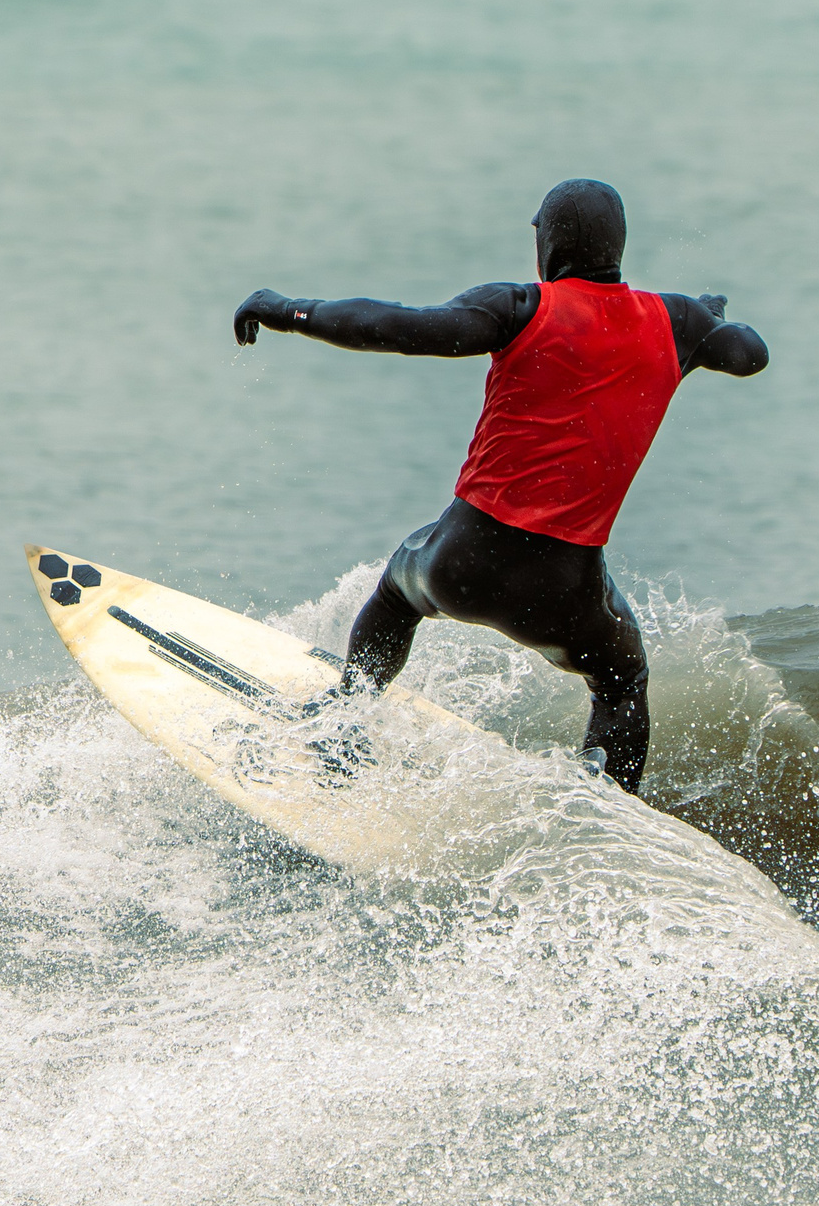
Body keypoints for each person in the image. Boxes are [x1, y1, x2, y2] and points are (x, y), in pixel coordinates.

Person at [232, 179, 768, 793]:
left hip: (462, 564)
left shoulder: (519, 308)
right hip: (567, 594)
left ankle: (345, 722)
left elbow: (396, 326)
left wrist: (287, 309)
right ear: (617, 247)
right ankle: (609, 804)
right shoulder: (675, 322)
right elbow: (750, 354)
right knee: (621, 681)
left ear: (548, 243)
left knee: (398, 587)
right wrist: (707, 321)